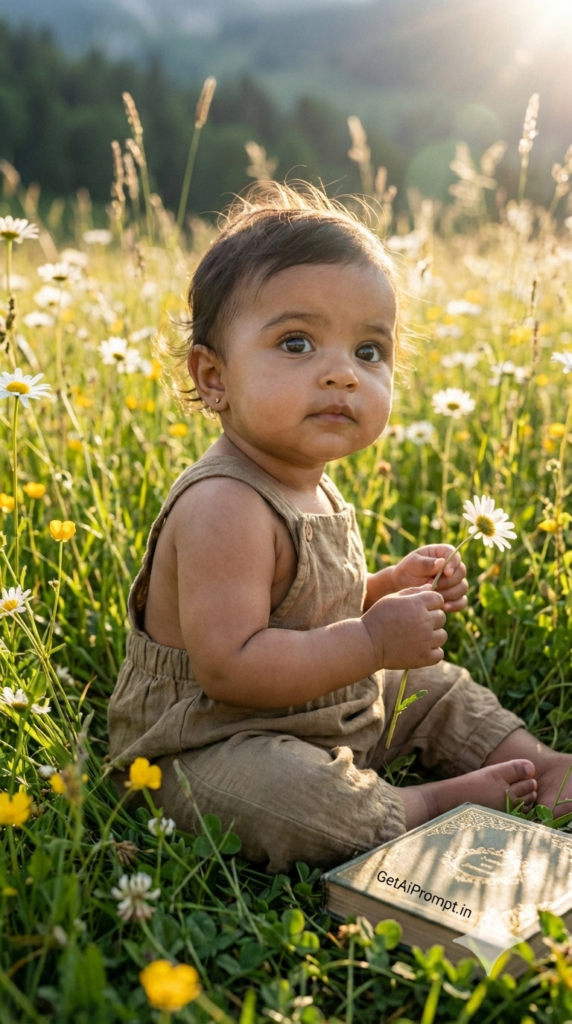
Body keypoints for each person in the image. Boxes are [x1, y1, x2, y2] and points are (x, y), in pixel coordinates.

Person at [108, 183, 572, 872]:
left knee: (429, 685)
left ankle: (536, 762)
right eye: (297, 343)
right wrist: (373, 638)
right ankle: (418, 808)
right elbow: (232, 665)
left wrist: (382, 592)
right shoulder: (223, 506)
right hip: (212, 741)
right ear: (213, 378)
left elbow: (303, 614)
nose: (342, 376)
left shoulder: (308, 478)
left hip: (320, 708)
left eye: (368, 351)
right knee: (286, 797)